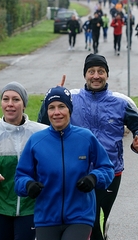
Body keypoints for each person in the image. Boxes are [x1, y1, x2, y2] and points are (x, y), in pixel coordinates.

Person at [38, 54, 138, 240]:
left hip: (109, 174)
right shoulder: (71, 98)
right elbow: (42, 122)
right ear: (85, 75)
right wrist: (52, 96)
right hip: (73, 172)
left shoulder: (121, 102)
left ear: (107, 75)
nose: (96, 76)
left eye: (101, 71)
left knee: (97, 223)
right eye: (91, 71)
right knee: (79, 223)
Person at [16, 86, 115, 240]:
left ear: (69, 109)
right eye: (51, 107)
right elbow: (20, 177)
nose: (57, 112)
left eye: (62, 106)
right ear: (47, 112)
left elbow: (107, 168)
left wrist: (94, 178)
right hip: (46, 216)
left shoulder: (86, 138)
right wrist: (28, 185)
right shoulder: (36, 141)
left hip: (80, 215)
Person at [0, 82, 47, 240]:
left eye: (16, 99)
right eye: (6, 99)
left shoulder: (40, 133)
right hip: (0, 205)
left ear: (24, 104)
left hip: (30, 205)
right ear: (1, 103)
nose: (10, 104)